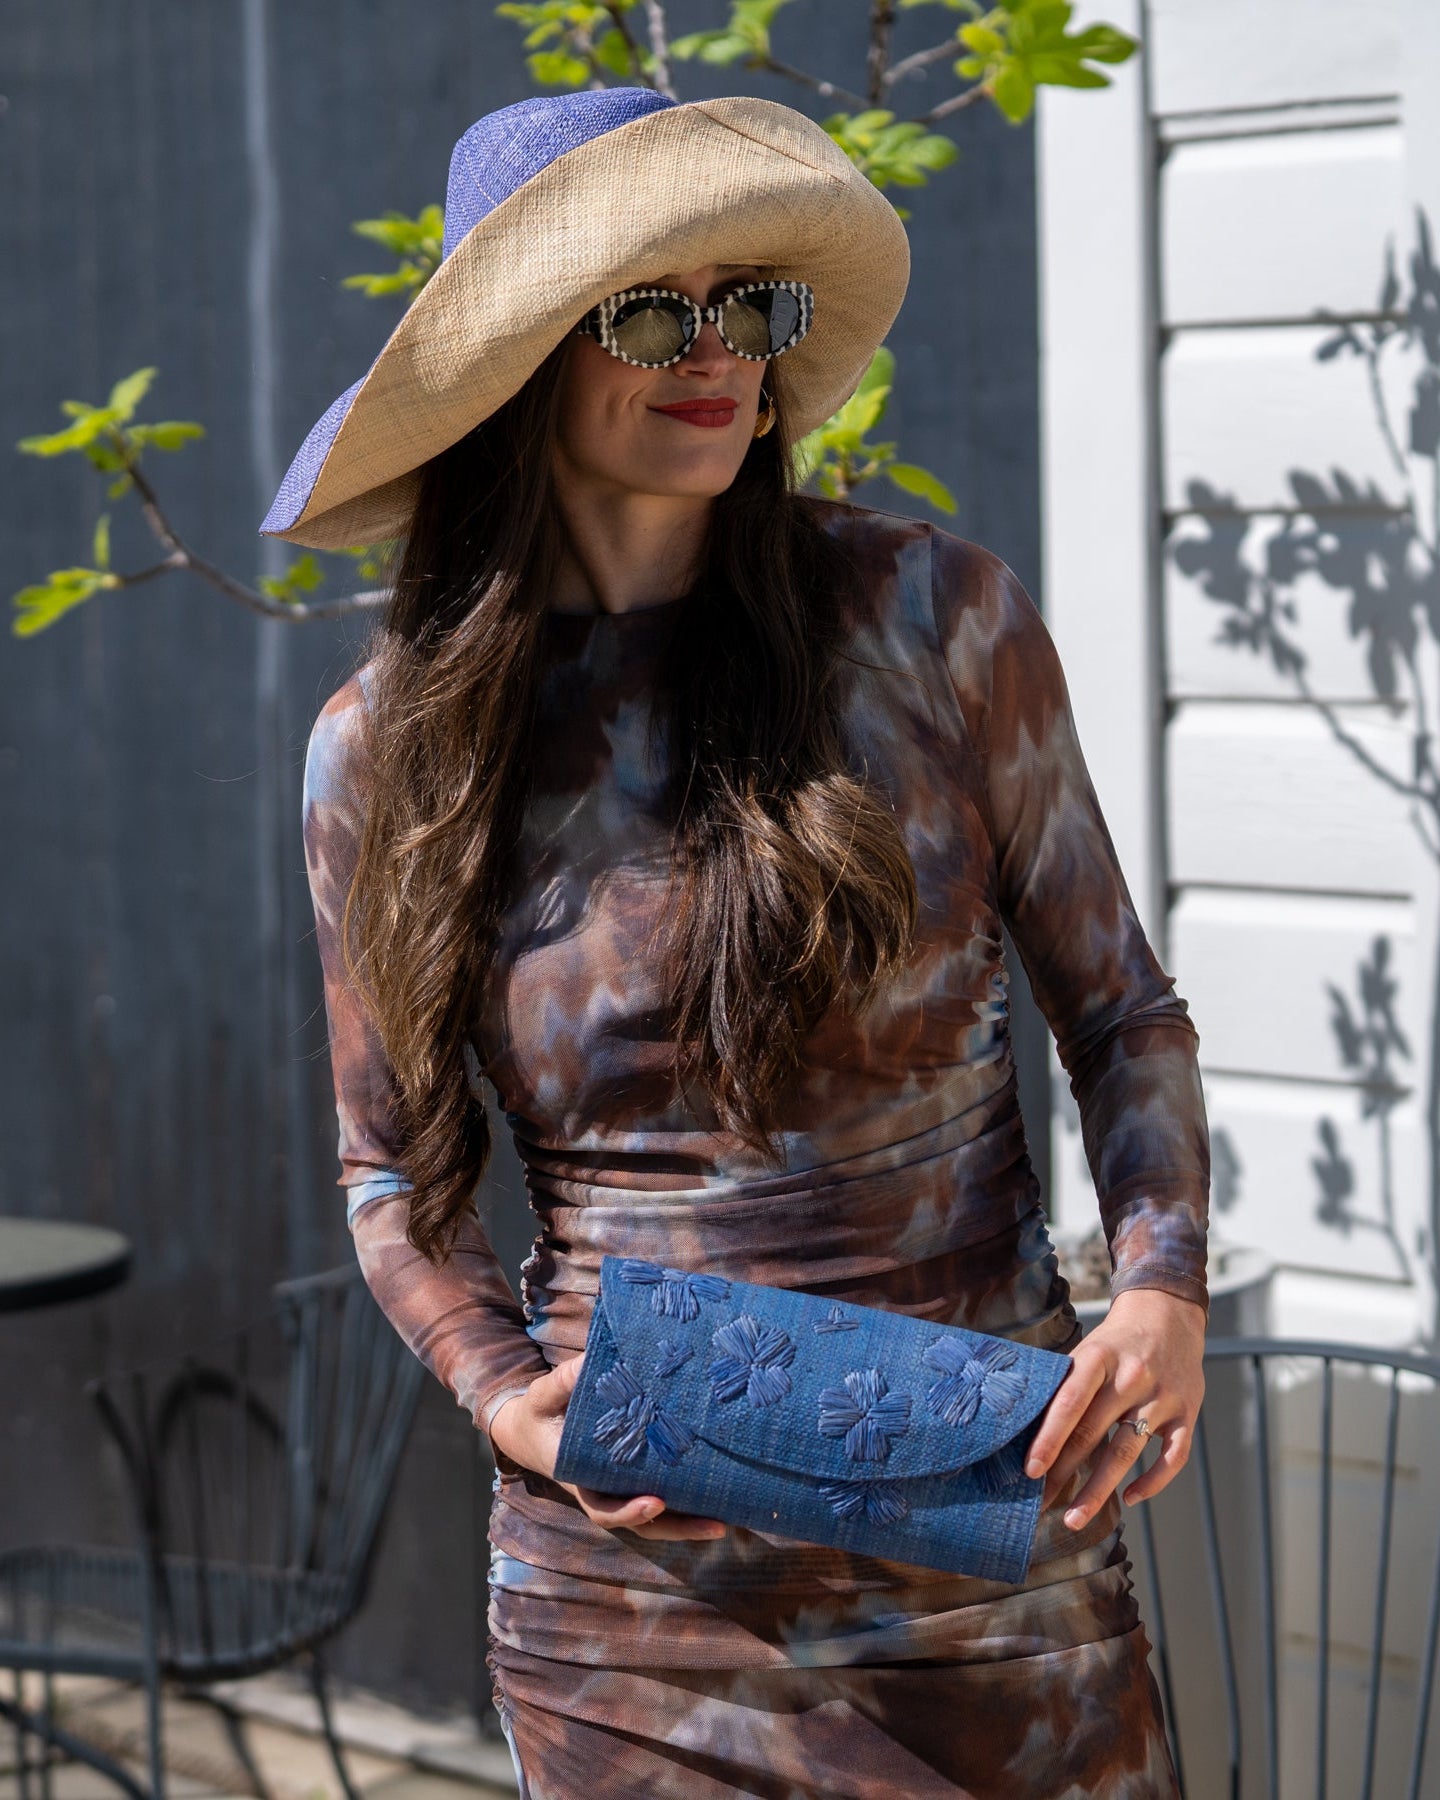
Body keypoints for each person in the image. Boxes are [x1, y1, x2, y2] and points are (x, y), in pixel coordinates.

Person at [265, 87, 1209, 1799]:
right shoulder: (384, 752)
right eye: (648, 307)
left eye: (749, 304)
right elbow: (392, 1176)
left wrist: (1159, 1289)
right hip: (633, 1597)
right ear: (525, 361)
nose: (716, 350)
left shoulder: (934, 617)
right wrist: (502, 1395)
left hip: (984, 1540)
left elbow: (1123, 1012)